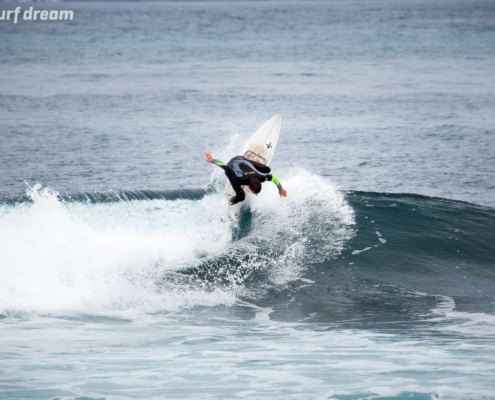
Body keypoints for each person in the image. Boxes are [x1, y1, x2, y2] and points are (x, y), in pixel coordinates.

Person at [204, 152, 287, 205]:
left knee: (268, 169)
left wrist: (280, 189)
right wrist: (213, 160)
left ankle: (253, 160)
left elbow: (274, 177)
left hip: (243, 160)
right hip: (234, 162)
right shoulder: (239, 178)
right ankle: (228, 204)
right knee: (241, 196)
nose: (256, 194)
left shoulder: (261, 177)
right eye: (255, 192)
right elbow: (227, 167)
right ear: (249, 187)